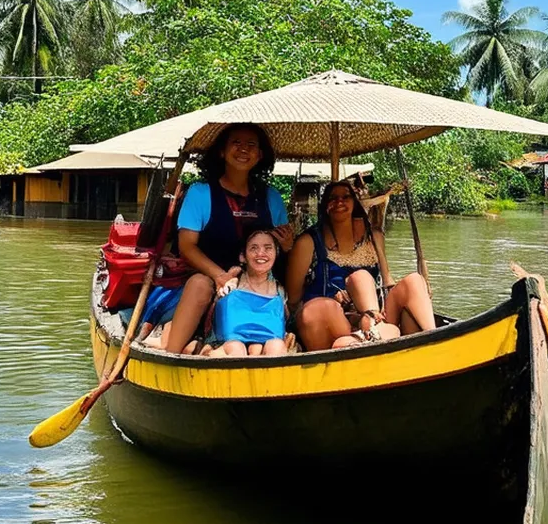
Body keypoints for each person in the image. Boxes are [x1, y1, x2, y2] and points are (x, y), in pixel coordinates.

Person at [139, 124, 294, 353]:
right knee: (200, 285)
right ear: (222, 151)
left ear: (260, 155)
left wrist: (287, 246)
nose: (244, 149)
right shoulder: (201, 193)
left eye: (251, 145)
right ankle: (172, 352)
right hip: (207, 274)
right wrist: (220, 277)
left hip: (259, 279)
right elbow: (186, 246)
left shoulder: (271, 197)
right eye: (236, 143)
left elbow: (280, 246)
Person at [286, 180, 436, 351]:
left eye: (345, 197)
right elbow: (294, 300)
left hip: (376, 316)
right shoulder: (308, 242)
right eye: (333, 198)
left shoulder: (374, 235)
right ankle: (363, 339)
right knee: (321, 307)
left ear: (355, 202)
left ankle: (435, 338)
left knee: (413, 281)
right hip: (333, 320)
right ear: (325, 205)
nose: (339, 202)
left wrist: (418, 296)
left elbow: (388, 281)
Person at [210, 229, 288, 357]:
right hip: (227, 349)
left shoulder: (280, 292)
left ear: (276, 253)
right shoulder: (229, 285)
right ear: (243, 256)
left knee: (276, 347)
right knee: (236, 349)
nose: (261, 253)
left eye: (268, 248)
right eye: (253, 248)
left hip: (270, 352)